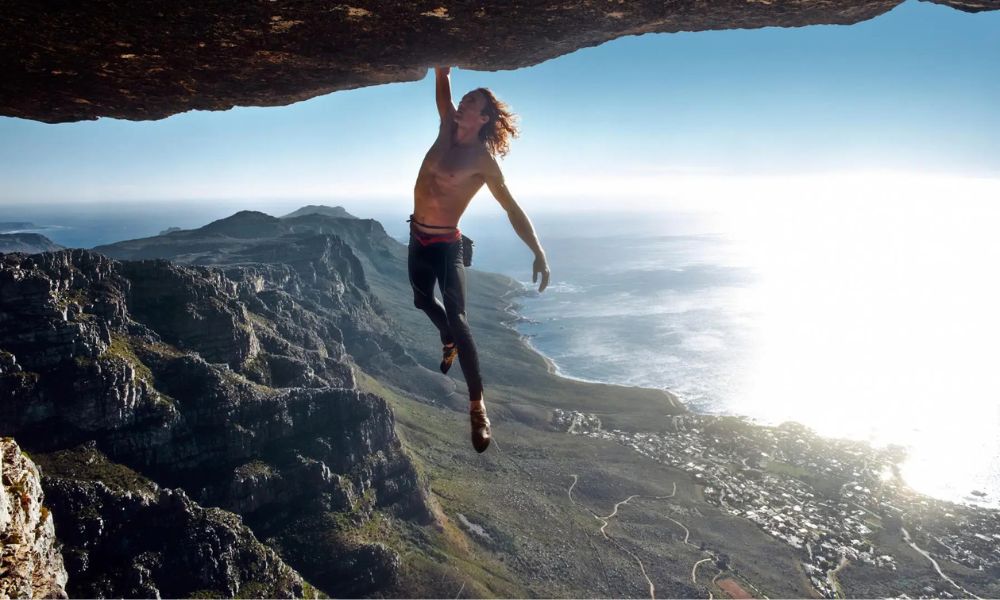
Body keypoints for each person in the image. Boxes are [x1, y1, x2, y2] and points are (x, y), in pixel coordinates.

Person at [409, 66, 550, 453]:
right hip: (417, 236)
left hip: (447, 245)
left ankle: (477, 407)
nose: (462, 103)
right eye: (463, 98)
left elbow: (511, 208)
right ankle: (447, 339)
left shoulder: (484, 160)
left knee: (459, 317)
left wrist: (537, 250)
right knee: (422, 300)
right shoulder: (445, 128)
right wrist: (442, 68)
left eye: (471, 102)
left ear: (483, 118)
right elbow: (443, 90)